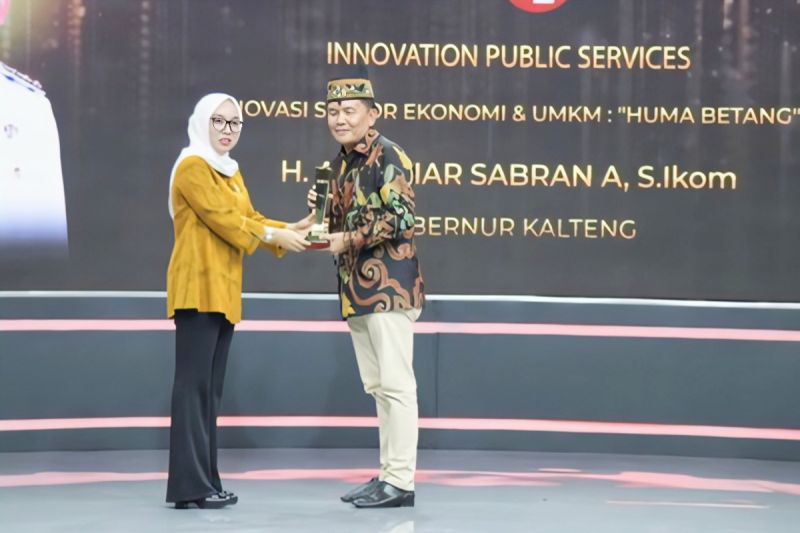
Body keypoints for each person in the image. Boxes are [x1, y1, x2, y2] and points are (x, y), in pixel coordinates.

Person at [166, 93, 311, 509]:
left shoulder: (229, 170)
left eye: (234, 123)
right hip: (197, 290)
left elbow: (251, 218)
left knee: (209, 392)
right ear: (202, 122)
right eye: (219, 121)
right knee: (193, 389)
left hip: (223, 292)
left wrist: (292, 227)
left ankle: (206, 482)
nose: (227, 130)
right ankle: (189, 488)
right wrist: (274, 235)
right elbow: (225, 220)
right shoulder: (193, 166)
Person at [309, 66, 424, 508]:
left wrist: (346, 238)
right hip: (356, 290)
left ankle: (402, 482)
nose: (339, 119)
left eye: (349, 110)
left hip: (389, 288)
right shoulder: (340, 163)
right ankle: (388, 475)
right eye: (333, 111)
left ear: (372, 114)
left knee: (397, 386)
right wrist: (321, 215)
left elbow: (402, 217)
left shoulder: (388, 154)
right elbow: (338, 224)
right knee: (378, 387)